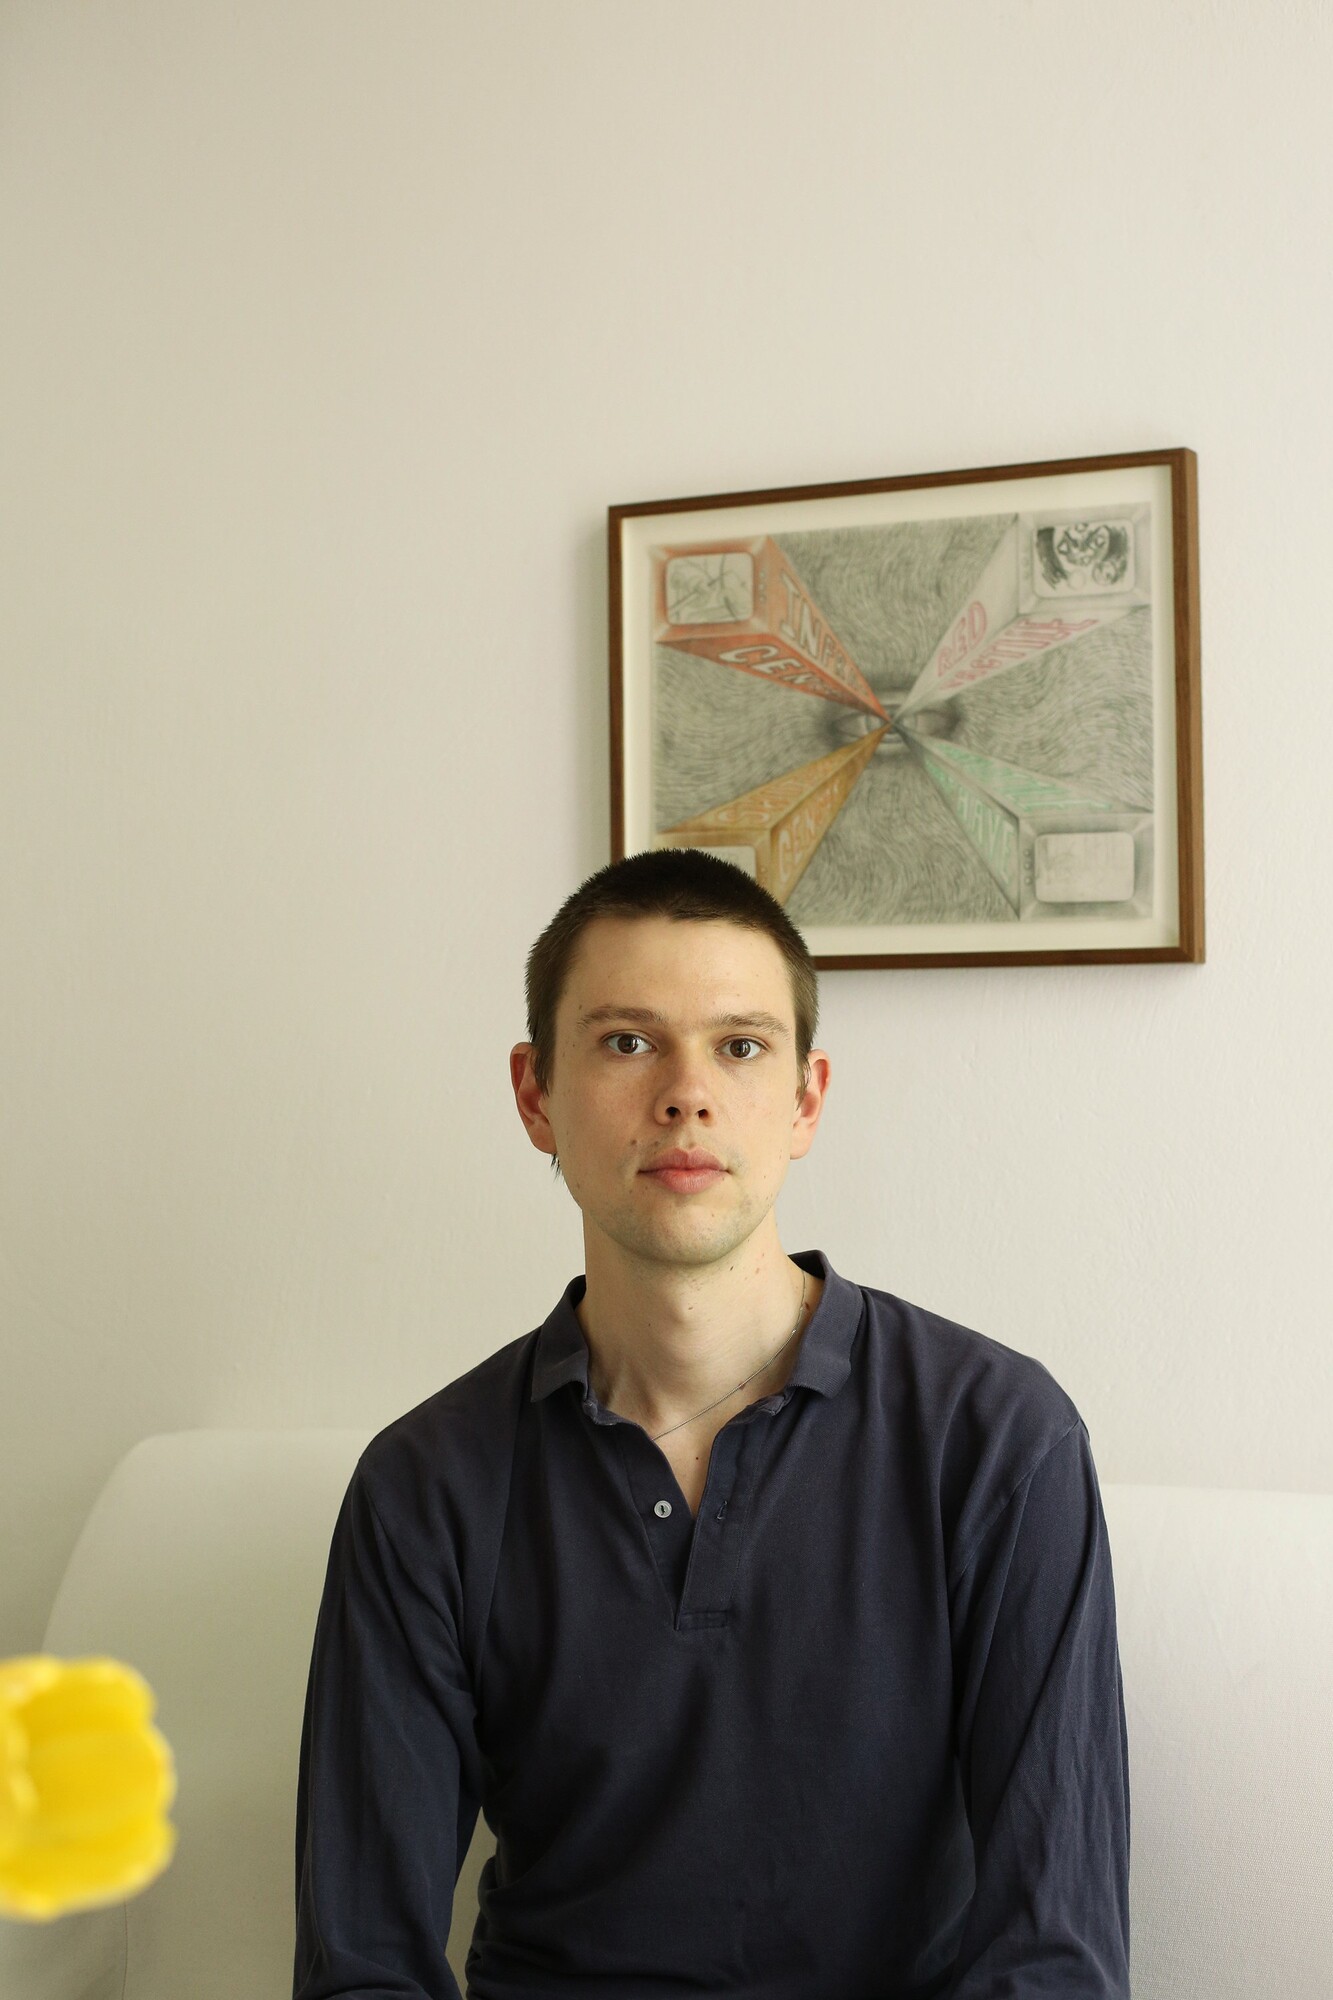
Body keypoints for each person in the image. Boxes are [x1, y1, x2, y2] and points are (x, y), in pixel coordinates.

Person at [293, 848, 1131, 1999]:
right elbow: (361, 1963)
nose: (685, 1092)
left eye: (739, 1045)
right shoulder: (424, 1483)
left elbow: (1056, 1950)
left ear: (805, 1098)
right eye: (627, 1040)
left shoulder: (997, 1440)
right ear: (535, 1092)